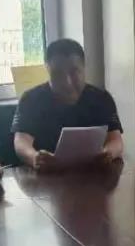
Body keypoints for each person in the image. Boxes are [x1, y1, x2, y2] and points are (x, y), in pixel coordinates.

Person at [12, 39, 123, 171]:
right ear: (47, 69)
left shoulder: (101, 98)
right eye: (57, 74)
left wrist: (108, 153)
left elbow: (115, 140)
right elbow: (21, 141)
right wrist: (34, 157)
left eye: (74, 72)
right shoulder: (31, 99)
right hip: (45, 175)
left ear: (84, 68)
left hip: (93, 173)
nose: (67, 83)